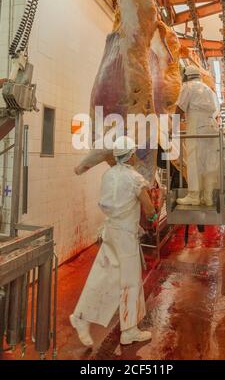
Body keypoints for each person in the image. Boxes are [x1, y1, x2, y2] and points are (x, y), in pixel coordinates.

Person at [70, 136, 158, 346]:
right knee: (130, 281)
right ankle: (129, 330)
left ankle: (81, 316)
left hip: (110, 232)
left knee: (102, 275)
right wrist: (154, 216)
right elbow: (148, 207)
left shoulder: (108, 175)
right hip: (125, 238)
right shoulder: (135, 178)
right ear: (131, 155)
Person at [175, 65, 220, 206]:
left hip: (197, 125)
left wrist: (172, 128)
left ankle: (194, 195)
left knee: (194, 160)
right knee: (208, 162)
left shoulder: (188, 86)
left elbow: (180, 108)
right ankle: (207, 196)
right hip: (211, 126)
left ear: (186, 76)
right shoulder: (207, 89)